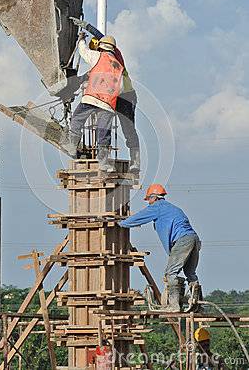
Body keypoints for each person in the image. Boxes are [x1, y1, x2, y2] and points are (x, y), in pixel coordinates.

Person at [70, 17, 140, 172]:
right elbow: (89, 75)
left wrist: (87, 27)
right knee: (105, 126)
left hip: (125, 97)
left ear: (100, 48)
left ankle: (135, 161)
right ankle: (106, 159)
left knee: (128, 129)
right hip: (111, 96)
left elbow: (101, 37)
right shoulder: (103, 63)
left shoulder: (116, 57)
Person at [119, 183, 201, 312]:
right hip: (194, 239)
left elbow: (138, 218)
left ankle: (174, 305)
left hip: (182, 240)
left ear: (154, 197)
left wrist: (121, 223)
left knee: (171, 273)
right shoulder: (173, 208)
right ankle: (197, 305)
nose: (148, 203)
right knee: (190, 273)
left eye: (149, 200)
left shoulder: (157, 207)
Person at [63, 32, 124, 172]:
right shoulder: (119, 67)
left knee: (77, 120)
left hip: (92, 97)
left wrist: (81, 40)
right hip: (108, 103)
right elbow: (120, 88)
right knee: (104, 133)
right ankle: (103, 163)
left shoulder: (98, 56)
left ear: (101, 47)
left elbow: (84, 52)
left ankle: (72, 147)